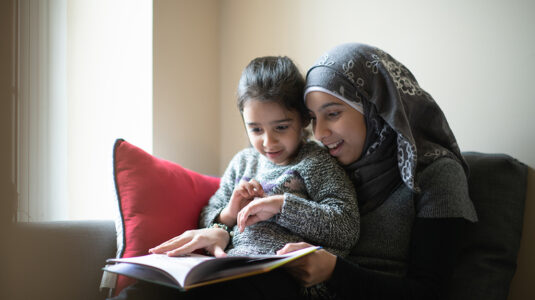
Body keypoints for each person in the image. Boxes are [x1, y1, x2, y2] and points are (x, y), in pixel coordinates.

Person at [112, 56, 359, 300]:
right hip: (229, 268)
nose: (268, 141)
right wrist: (229, 213)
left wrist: (281, 206)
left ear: (304, 118)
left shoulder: (317, 162)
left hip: (283, 275)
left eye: (281, 128)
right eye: (256, 129)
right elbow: (208, 214)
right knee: (142, 291)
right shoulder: (243, 162)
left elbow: (346, 226)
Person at [276, 43, 478, 299]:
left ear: (376, 108)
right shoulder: (324, 167)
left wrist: (334, 272)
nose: (319, 133)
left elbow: (430, 292)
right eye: (314, 118)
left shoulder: (436, 175)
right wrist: (222, 229)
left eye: (333, 113)